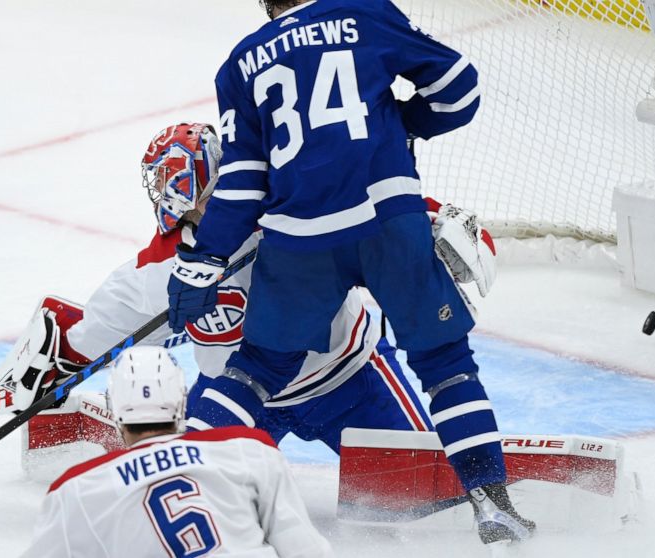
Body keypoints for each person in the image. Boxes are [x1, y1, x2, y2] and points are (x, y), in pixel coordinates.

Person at [165, 0, 534, 545]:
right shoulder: (364, 14)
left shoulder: (240, 62)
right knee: (445, 362)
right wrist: (404, 123)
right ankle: (492, 504)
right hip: (387, 217)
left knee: (255, 370)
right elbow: (459, 88)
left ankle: (179, 484)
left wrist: (206, 259)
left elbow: (244, 176)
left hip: (298, 240)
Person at [0, 122, 433, 457]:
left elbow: (364, 212)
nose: (175, 197)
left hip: (349, 377)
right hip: (238, 393)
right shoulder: (161, 266)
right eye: (170, 187)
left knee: (416, 491)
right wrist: (58, 362)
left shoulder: (290, 212)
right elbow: (103, 324)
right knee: (187, 488)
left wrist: (430, 224)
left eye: (182, 184)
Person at [21, 345, 334, 558]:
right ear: (183, 402)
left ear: (114, 410)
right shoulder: (249, 450)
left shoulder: (77, 488)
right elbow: (305, 550)